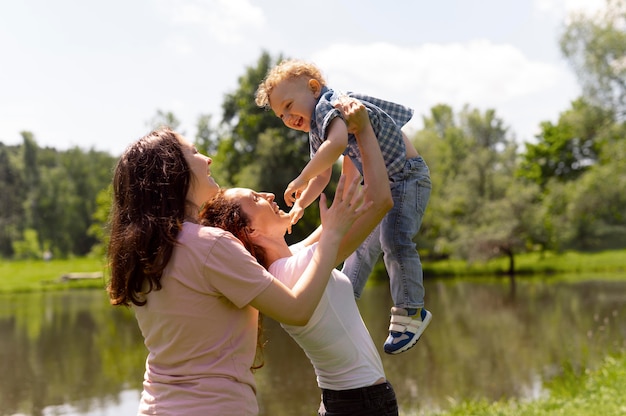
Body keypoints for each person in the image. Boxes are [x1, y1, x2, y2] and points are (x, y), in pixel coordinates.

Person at [106, 126, 370, 416]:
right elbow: (297, 309)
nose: (207, 159)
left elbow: (298, 252)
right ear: (172, 172)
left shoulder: (151, 252)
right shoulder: (210, 245)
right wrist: (331, 239)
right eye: (193, 153)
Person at [200, 98, 398, 415]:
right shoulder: (298, 266)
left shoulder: (288, 262)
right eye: (255, 198)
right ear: (249, 231)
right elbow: (380, 201)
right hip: (361, 405)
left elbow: (351, 191)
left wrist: (345, 139)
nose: (267, 194)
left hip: (342, 401)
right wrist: (364, 131)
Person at [255, 59, 433, 355]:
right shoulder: (317, 126)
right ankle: (346, 296)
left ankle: (411, 310)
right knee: (362, 245)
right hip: (388, 181)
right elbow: (323, 173)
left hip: (407, 178)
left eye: (289, 105)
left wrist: (301, 176)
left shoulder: (330, 105)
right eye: (281, 115)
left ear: (313, 88)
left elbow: (336, 147)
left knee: (395, 239)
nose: (287, 117)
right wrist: (300, 205)